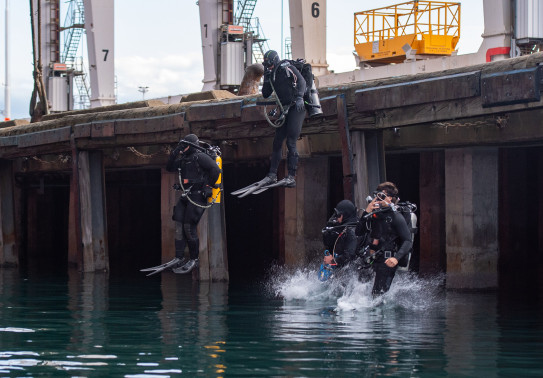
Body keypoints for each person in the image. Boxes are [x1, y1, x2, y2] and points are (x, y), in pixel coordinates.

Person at [166, 134, 220, 274]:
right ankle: (179, 256)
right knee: (178, 224)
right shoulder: (184, 159)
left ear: (191, 145)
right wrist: (175, 153)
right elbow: (169, 167)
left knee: (189, 227)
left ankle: (194, 260)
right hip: (187, 195)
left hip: (198, 196)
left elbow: (215, 169)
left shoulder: (199, 157)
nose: (183, 148)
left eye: (184, 146)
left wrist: (208, 186)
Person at [260, 50, 307, 188]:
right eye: (266, 66)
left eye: (269, 65)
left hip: (296, 108)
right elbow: (265, 94)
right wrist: (266, 77)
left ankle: (291, 177)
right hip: (284, 109)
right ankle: (272, 175)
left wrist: (299, 97)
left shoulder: (287, 67)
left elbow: (302, 82)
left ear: (274, 61)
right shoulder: (271, 74)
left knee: (291, 142)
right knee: (277, 143)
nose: (268, 67)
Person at [356, 182, 413, 296]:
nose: (378, 199)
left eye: (382, 196)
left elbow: (407, 241)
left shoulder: (396, 216)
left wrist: (396, 258)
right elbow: (358, 231)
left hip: (387, 260)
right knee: (362, 291)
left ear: (390, 199)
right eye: (377, 195)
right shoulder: (373, 214)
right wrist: (366, 212)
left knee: (378, 296)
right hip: (372, 257)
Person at [320, 200, 359, 281]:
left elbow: (349, 255)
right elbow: (328, 242)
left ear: (343, 215)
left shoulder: (352, 231)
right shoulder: (345, 227)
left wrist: (332, 260)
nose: (336, 218)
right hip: (345, 270)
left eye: (338, 215)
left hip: (352, 274)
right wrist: (329, 225)